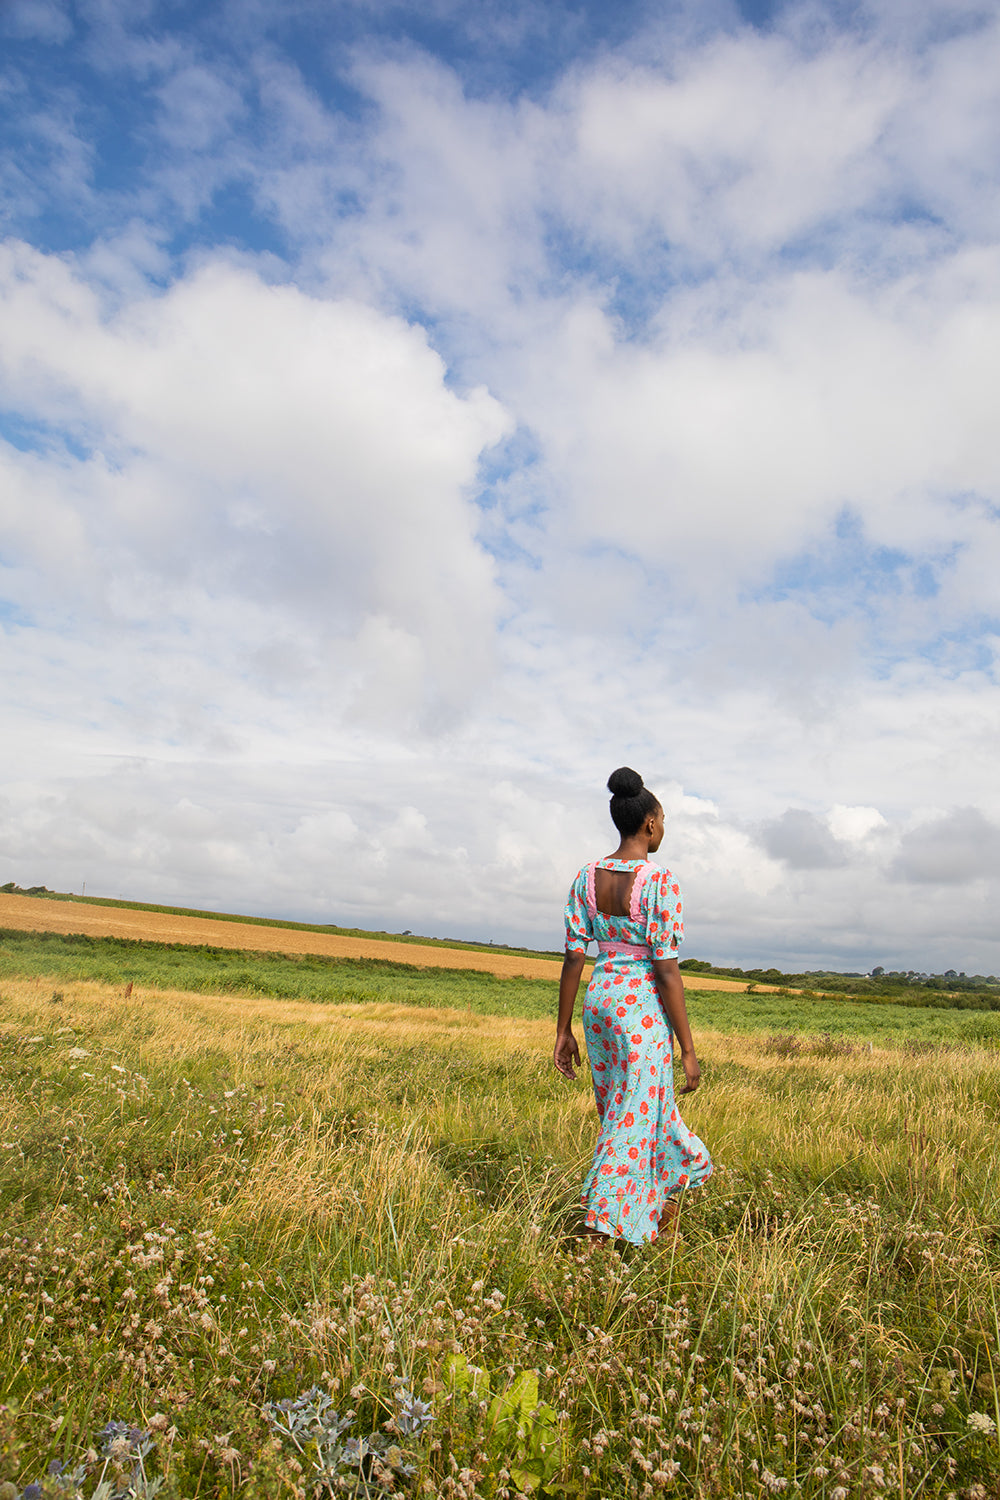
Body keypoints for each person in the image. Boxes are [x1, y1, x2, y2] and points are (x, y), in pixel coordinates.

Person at [554, 767, 712, 1244]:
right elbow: (666, 970)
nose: (663, 827)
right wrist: (687, 1047)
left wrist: (563, 1031)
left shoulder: (586, 878)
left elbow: (575, 955)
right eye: (662, 819)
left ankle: (660, 1218)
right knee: (630, 1119)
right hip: (638, 1007)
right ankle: (597, 1232)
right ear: (648, 823)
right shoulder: (661, 882)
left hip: (600, 1002)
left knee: (640, 1110)